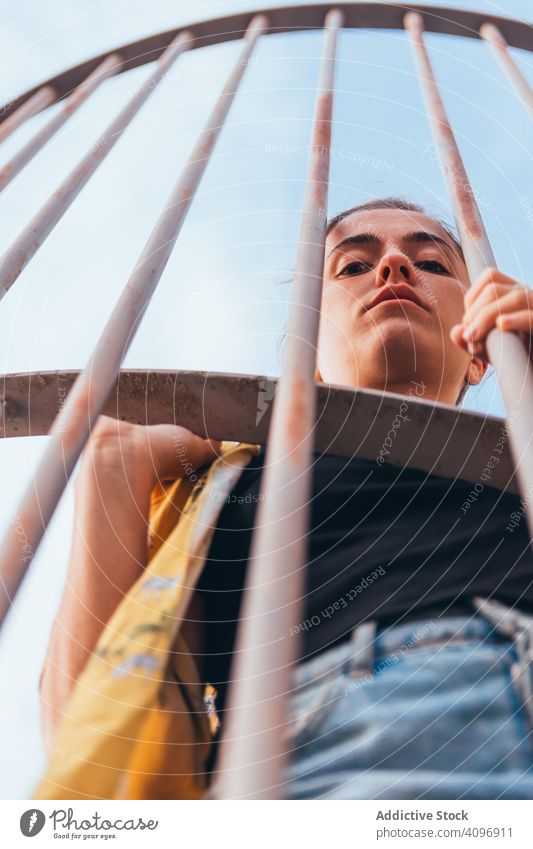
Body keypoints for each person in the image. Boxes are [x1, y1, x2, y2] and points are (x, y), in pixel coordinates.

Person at [39, 197, 533, 800]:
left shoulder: (519, 453)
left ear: (480, 355)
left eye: (431, 261)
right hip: (332, 744)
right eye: (352, 266)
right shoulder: (231, 483)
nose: (396, 266)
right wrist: (114, 465)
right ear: (312, 352)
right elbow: (87, 742)